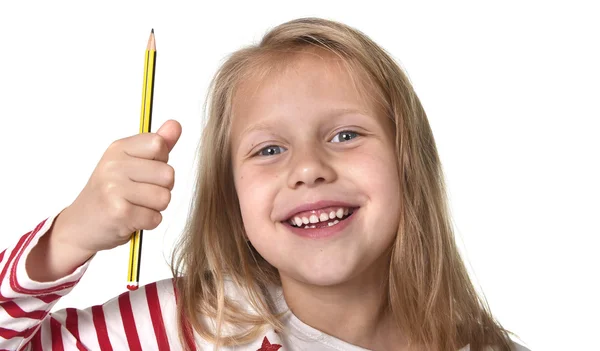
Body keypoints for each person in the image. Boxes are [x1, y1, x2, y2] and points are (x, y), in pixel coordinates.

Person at [0, 18, 530, 351]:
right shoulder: (182, 328)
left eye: (345, 134)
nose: (308, 168)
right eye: (269, 150)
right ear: (231, 198)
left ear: (409, 162)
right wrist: (69, 236)